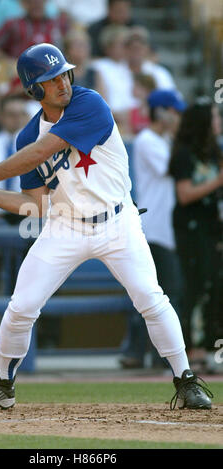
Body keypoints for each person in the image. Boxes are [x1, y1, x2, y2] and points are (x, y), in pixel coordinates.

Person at [0, 43, 212, 411]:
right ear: (34, 89)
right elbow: (35, 204)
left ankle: (186, 380)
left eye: (63, 73)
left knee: (151, 299)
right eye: (50, 78)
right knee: (21, 306)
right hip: (65, 227)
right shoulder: (26, 136)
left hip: (118, 221)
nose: (62, 82)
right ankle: (3, 384)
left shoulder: (88, 103)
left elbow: (44, 151)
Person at [120, 90, 186, 369]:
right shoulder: (148, 139)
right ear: (161, 112)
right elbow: (171, 167)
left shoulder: (166, 140)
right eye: (173, 111)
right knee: (153, 292)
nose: (177, 117)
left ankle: (151, 355)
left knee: (159, 292)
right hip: (153, 227)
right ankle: (138, 353)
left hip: (166, 227)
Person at [169, 97, 223, 367]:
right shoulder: (184, 153)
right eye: (214, 117)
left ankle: (211, 343)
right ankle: (192, 348)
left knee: (214, 285)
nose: (218, 122)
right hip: (191, 229)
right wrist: (217, 181)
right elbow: (185, 194)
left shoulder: (214, 151)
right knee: (194, 286)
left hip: (213, 227)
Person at [0, 0, 70, 59]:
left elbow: (70, 47)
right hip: (18, 74)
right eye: (32, 2)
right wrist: (10, 63)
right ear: (24, 4)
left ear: (46, 2)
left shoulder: (57, 24)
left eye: (40, 2)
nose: (36, 4)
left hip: (51, 72)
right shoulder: (13, 24)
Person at [63, 29, 104, 94]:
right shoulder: (63, 76)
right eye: (77, 46)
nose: (81, 49)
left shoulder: (95, 73)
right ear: (67, 50)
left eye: (84, 45)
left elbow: (102, 99)